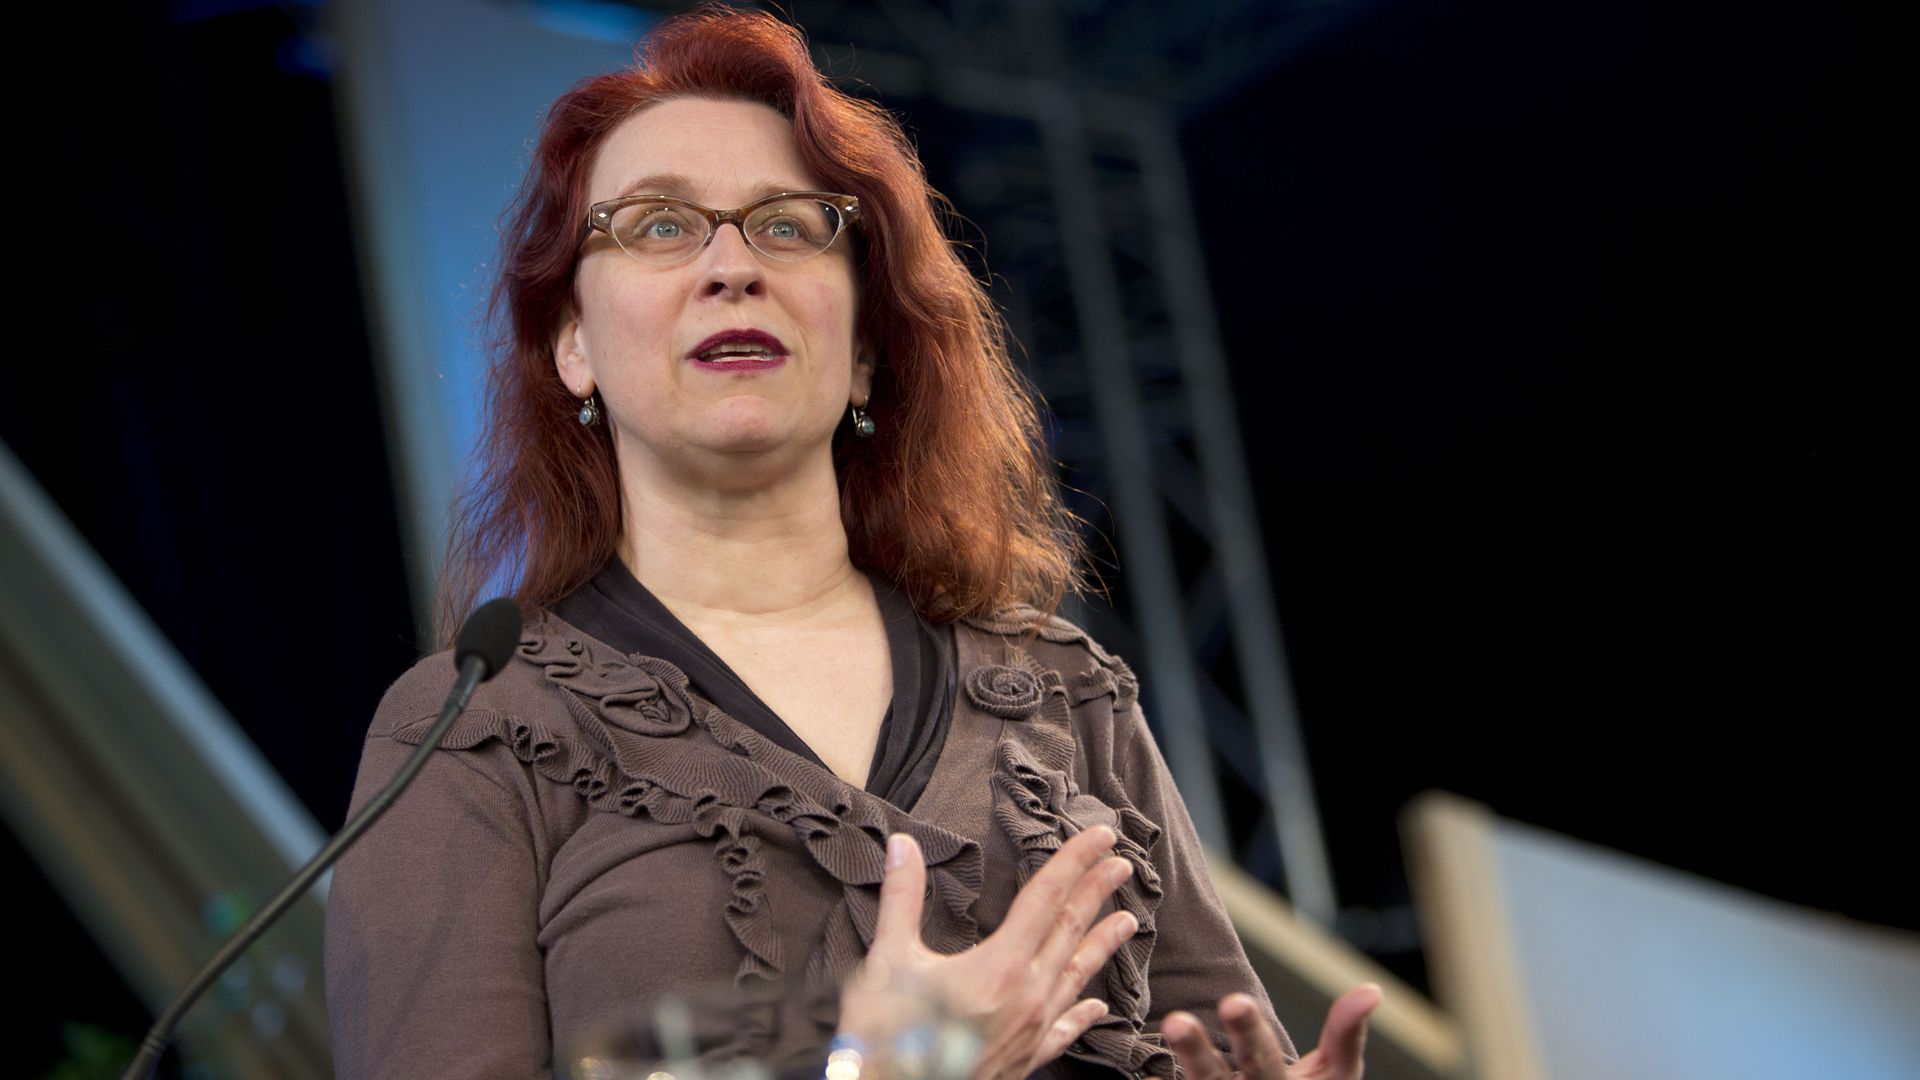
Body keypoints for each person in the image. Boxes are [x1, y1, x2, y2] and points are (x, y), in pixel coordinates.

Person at [322, 6, 1379, 1079]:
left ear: (868, 350)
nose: (732, 267)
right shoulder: (479, 730)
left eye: (787, 225)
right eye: (657, 226)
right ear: (574, 347)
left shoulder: (1065, 691)